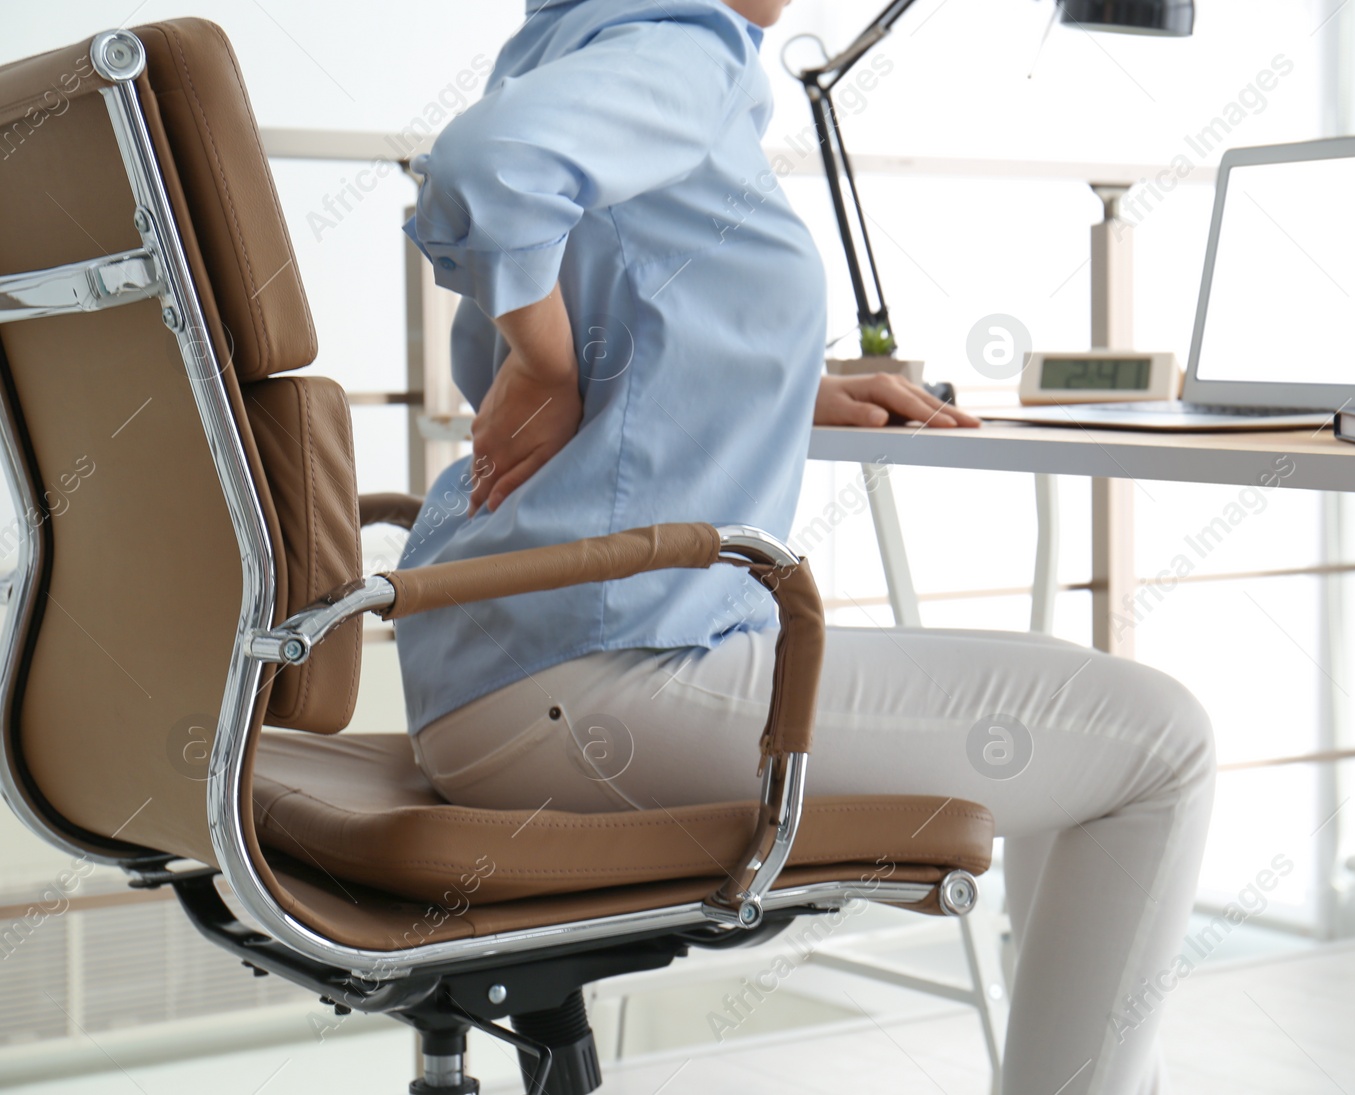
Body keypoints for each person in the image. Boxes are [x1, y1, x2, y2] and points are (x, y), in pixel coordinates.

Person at [397, 1, 1214, 1091]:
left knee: (1082, 725)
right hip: (600, 678)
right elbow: (483, 174)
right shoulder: (680, 46)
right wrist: (544, 364)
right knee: (1160, 742)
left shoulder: (571, 37)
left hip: (488, 676)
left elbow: (596, 341)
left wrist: (784, 381)